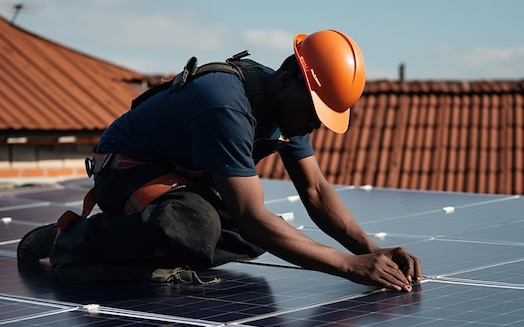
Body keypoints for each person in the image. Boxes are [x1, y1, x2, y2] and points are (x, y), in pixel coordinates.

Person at [17, 29, 421, 291]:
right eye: (315, 111)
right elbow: (251, 214)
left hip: (178, 177)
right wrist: (351, 267)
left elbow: (315, 191)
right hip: (125, 168)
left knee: (258, 235)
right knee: (199, 224)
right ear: (286, 80)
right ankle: (69, 241)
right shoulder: (226, 103)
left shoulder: (288, 111)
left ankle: (148, 248)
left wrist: (373, 250)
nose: (316, 125)